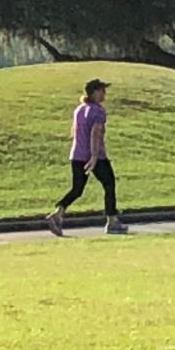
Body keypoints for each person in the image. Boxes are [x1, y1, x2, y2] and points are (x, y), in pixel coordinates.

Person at [49, 78, 126, 236]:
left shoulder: (79, 109)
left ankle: (58, 213)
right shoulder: (98, 111)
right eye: (102, 90)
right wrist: (95, 157)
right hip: (94, 156)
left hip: (77, 155)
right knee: (109, 184)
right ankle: (112, 221)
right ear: (94, 92)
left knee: (77, 189)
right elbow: (95, 134)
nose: (104, 93)